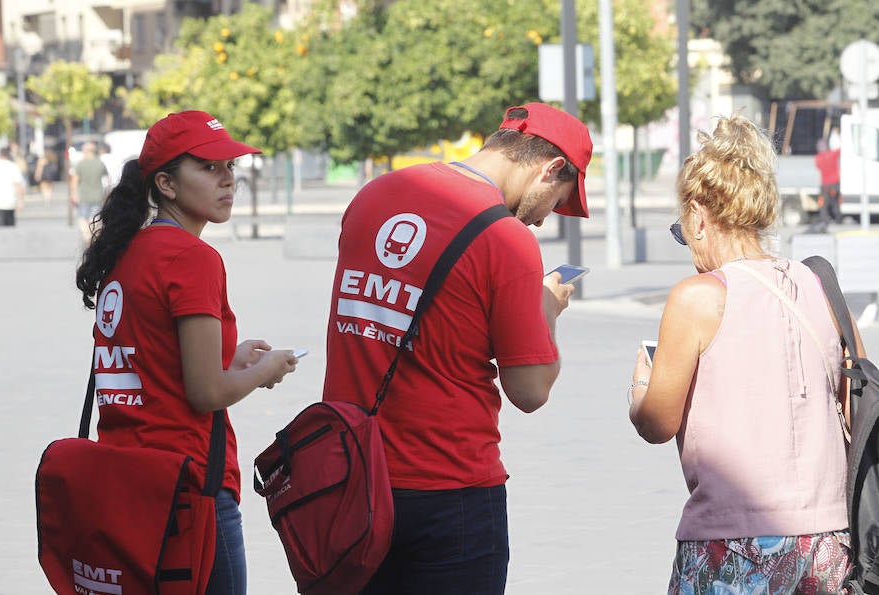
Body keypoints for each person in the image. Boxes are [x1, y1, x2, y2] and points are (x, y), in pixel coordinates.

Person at [322, 102, 591, 594]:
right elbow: (530, 391)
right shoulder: (505, 238)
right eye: (558, 200)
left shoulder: (376, 194)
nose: (544, 221)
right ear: (551, 169)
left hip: (350, 476)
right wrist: (547, 309)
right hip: (449, 492)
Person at [628, 114, 866, 593]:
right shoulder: (820, 285)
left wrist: (639, 386)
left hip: (731, 542)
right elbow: (856, 398)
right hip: (828, 544)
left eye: (683, 229)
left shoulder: (697, 296)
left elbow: (657, 424)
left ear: (698, 214)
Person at [75, 110, 299, 594]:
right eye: (209, 168)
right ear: (167, 184)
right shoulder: (192, 258)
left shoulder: (128, 250)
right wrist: (265, 370)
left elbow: (149, 360)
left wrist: (234, 357)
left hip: (127, 479)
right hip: (189, 486)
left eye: (231, 168)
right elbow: (205, 393)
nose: (227, 181)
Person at [70, 142, 109, 246]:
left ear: (86, 151)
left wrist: (74, 194)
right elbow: (107, 180)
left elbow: (75, 180)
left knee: (82, 218)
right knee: (95, 218)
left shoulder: (81, 164)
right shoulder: (100, 163)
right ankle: (93, 237)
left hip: (83, 196)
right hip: (98, 195)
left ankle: (87, 237)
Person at [815, 135, 843, 225]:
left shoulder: (818, 158)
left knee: (824, 203)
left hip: (825, 185)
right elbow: (840, 150)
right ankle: (838, 218)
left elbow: (818, 167)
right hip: (835, 183)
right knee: (835, 202)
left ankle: (824, 219)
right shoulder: (832, 154)